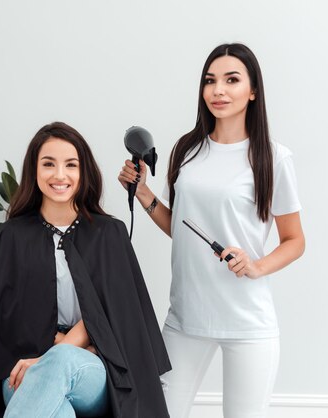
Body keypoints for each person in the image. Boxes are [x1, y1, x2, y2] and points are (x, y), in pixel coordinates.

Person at [118, 43, 305, 418]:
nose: (218, 90)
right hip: (185, 316)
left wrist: (256, 265)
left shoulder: (272, 157)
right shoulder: (186, 150)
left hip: (247, 321)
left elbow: (295, 240)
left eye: (231, 80)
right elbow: (184, 228)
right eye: (210, 81)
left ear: (253, 91)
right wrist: (144, 194)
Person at [0, 121, 171, 417]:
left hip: (91, 368)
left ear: (84, 173)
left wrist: (60, 349)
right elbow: (0, 327)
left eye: (71, 165)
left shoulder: (109, 234)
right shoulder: (11, 237)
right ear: (34, 171)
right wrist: (44, 352)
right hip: (22, 368)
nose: (59, 175)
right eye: (48, 164)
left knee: (62, 362)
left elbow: (114, 312)